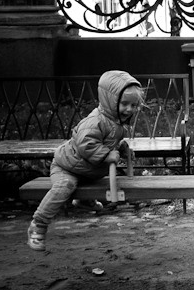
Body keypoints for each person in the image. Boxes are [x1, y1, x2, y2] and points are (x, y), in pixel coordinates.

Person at [26, 71, 144, 252]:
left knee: (85, 185)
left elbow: (108, 141)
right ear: (110, 101)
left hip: (86, 171)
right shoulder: (95, 121)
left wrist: (120, 147)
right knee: (65, 186)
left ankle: (83, 202)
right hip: (67, 167)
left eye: (134, 105)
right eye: (124, 104)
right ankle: (39, 224)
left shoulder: (116, 122)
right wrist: (105, 155)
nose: (129, 109)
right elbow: (85, 143)